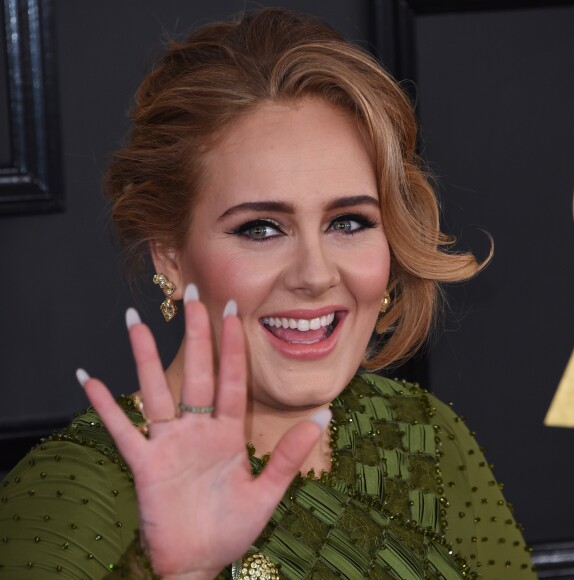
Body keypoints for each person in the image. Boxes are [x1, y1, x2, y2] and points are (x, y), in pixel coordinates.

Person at [0, 8, 536, 579]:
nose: (315, 273)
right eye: (260, 228)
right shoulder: (64, 497)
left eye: (349, 221)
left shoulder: (424, 436)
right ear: (170, 256)